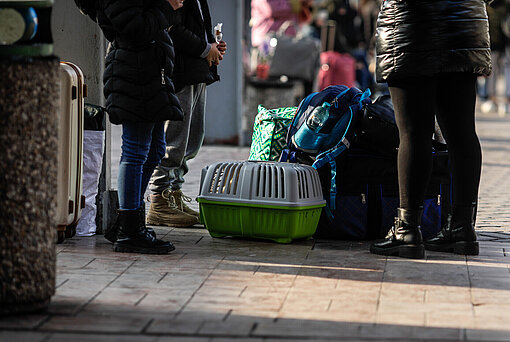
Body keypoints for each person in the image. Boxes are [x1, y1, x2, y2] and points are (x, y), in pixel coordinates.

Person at [369, 0, 492, 259]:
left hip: (411, 27)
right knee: (462, 133)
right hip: (463, 23)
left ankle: (407, 230)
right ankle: (461, 227)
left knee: (414, 133)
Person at [94, 0, 185, 254]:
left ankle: (127, 220)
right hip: (134, 73)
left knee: (155, 150)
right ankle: (129, 229)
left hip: (151, 72)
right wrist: (167, 7)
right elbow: (135, 28)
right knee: (135, 151)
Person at [147, 0, 226, 227]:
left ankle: (173, 193)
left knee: (192, 138)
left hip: (197, 68)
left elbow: (195, 25)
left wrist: (212, 45)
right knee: (174, 138)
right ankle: (159, 200)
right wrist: (204, 48)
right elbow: (172, 27)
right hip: (180, 70)